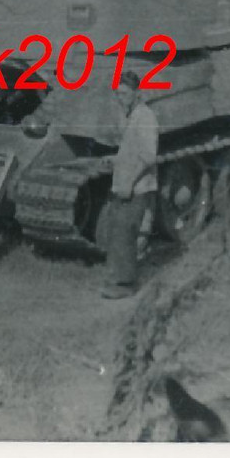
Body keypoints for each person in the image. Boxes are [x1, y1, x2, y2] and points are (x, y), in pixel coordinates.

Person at [100, 72, 160, 300]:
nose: (120, 98)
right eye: (118, 94)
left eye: (124, 93)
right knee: (118, 231)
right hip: (127, 184)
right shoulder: (133, 115)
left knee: (125, 234)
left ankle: (124, 284)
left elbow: (148, 156)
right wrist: (114, 161)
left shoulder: (145, 117)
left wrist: (129, 182)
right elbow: (132, 152)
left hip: (136, 186)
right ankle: (117, 278)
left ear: (137, 93)